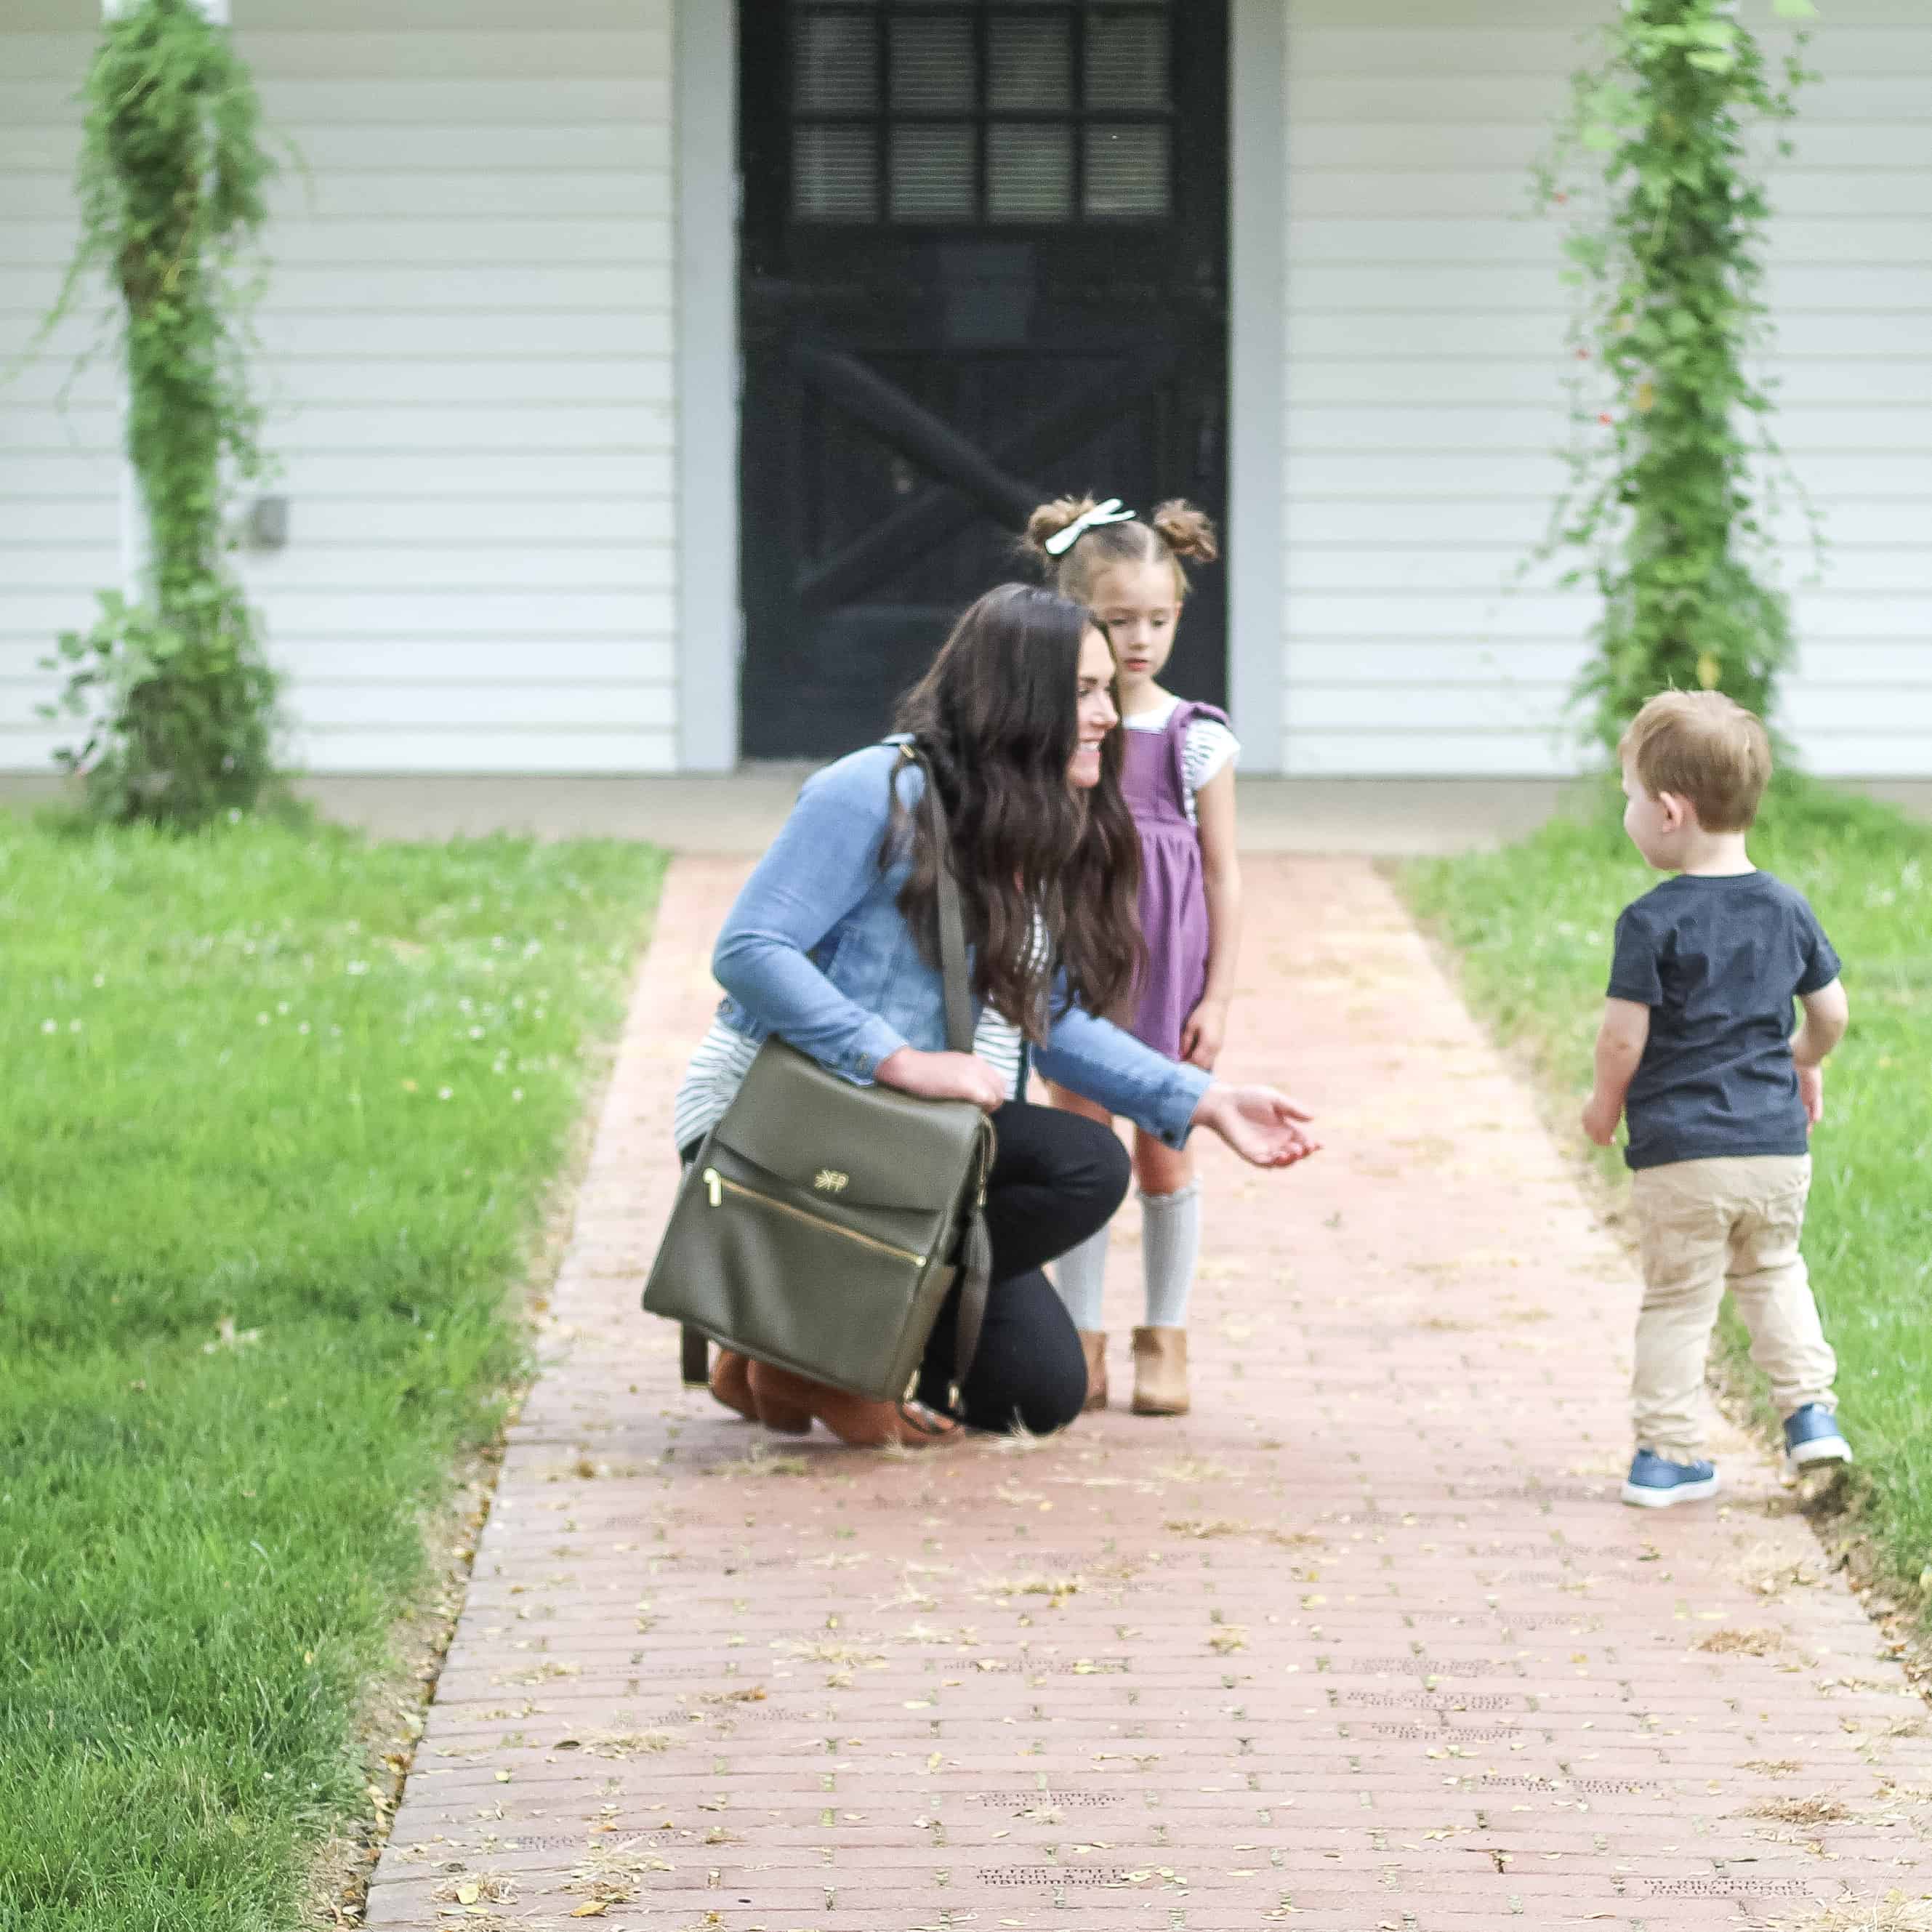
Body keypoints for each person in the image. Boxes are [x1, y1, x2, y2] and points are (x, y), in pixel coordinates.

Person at [670, 583, 1319, 1449]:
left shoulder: (1040, 818)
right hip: (793, 1119)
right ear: (1017, 700)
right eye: (1083, 693)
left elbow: (1048, 1013)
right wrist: (895, 1058)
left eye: (1105, 693)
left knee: (1034, 1398)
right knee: (1084, 1160)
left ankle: (789, 1346)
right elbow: (751, 950)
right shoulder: (875, 788)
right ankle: (825, 1353)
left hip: (915, 1135)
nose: (1106, 716)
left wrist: (1201, 1099)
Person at [1581, 690, 1852, 1508]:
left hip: (1681, 1155)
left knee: (1679, 1299)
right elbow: (1831, 1014)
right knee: (1773, 1272)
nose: (1626, 812)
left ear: (1670, 811)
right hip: (1775, 1149)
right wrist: (1803, 1060)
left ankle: (1667, 1456)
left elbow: (1622, 1039)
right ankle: (1810, 1413)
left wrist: (1602, 1106)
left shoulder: (1651, 922)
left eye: (1628, 797)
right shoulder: (1786, 906)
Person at [1018, 495, 1241, 1418]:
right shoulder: (1061, 731)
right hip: (1081, 969)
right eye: (1118, 622)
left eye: (1157, 619)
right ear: (1080, 621)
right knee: (1083, 1151)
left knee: (1163, 1157)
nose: (1139, 641)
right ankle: (1080, 1339)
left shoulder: (1197, 739)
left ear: (1180, 616)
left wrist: (1218, 998)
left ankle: (1166, 1336)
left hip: (1166, 976)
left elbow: (1224, 876)